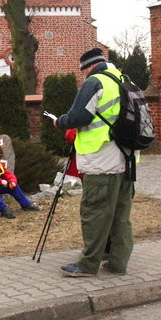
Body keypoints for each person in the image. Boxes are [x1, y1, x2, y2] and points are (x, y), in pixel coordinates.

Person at [53, 47, 135, 277]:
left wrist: (59, 122)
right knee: (120, 214)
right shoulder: (123, 79)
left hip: (102, 159)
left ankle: (88, 265)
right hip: (127, 159)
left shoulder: (95, 82)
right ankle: (118, 263)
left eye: (83, 70)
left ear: (88, 67)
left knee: (95, 212)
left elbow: (78, 117)